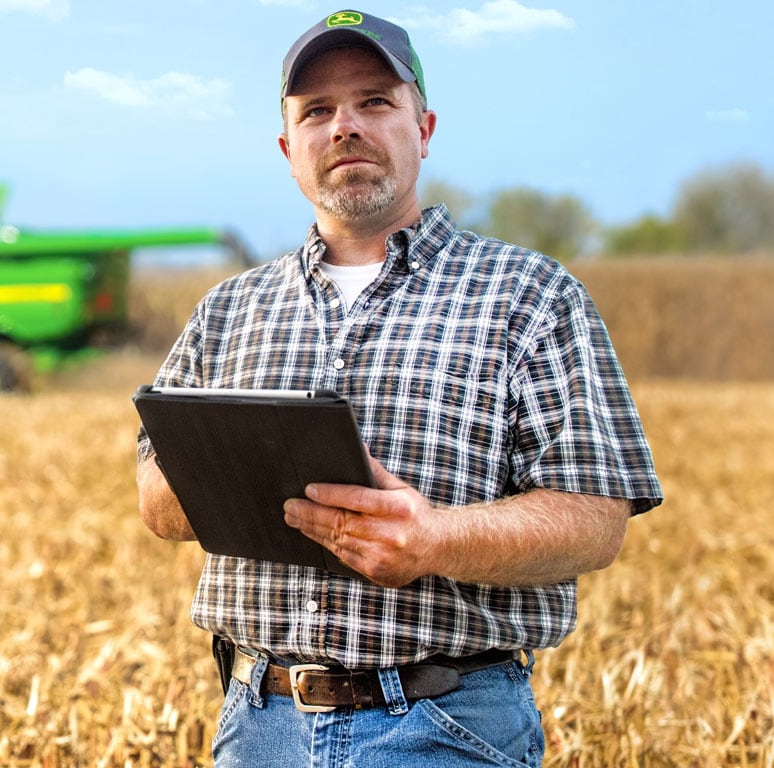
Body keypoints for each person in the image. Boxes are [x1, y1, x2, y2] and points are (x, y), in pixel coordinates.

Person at [136, 8, 662, 766]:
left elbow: (595, 519)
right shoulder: (227, 310)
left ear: (424, 127)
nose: (345, 126)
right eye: (317, 111)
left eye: (375, 101)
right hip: (258, 726)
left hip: (447, 724)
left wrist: (434, 538)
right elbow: (156, 503)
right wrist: (237, 469)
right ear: (288, 149)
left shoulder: (531, 296)